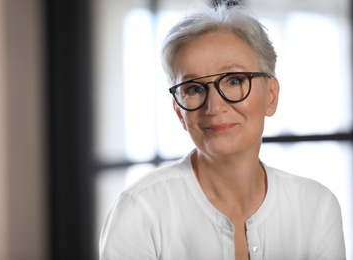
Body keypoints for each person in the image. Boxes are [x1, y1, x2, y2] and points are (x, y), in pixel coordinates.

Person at [99, 1, 346, 259]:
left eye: (234, 80)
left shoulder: (317, 207)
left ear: (271, 96)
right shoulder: (140, 211)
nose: (214, 107)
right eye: (193, 89)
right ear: (178, 112)